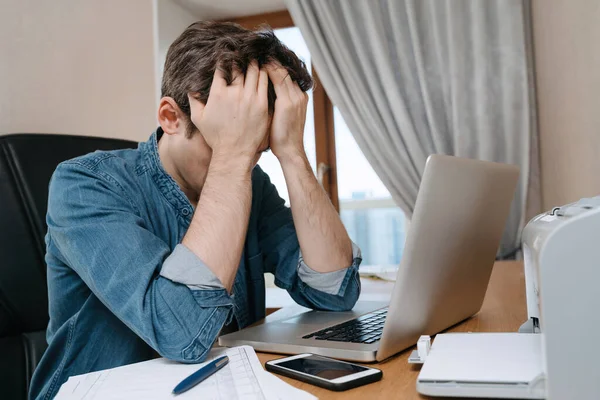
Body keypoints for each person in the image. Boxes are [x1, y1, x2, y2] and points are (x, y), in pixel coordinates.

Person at [30, 21, 362, 399]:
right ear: (171, 117)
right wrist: (233, 154)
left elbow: (334, 292)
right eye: (226, 136)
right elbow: (181, 330)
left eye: (257, 145)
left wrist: (292, 152)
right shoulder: (84, 186)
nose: (249, 159)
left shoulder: (249, 181)